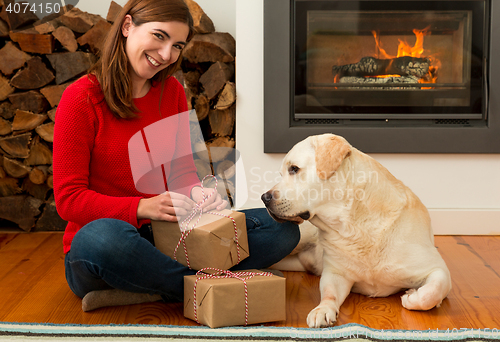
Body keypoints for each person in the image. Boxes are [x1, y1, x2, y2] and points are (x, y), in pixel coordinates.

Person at [52, 0, 300, 311]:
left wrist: (201, 195)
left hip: (170, 239)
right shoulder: (81, 99)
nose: (167, 54)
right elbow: (69, 200)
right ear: (127, 26)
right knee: (100, 238)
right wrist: (143, 207)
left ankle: (165, 286)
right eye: (159, 36)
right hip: (111, 246)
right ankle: (204, 286)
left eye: (177, 45)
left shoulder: (171, 92)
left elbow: (182, 173)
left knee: (282, 227)